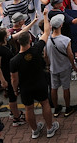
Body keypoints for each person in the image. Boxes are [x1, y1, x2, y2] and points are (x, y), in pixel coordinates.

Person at [10, 11, 60, 139]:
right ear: (30, 40)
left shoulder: (14, 60)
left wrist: (15, 90)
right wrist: (44, 15)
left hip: (25, 87)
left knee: (29, 108)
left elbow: (14, 79)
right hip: (39, 82)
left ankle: (35, 131)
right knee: (45, 104)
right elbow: (46, 33)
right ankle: (50, 128)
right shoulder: (37, 49)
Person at [46, 14, 77, 118]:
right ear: (61, 25)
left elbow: (45, 55)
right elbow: (70, 55)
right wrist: (74, 66)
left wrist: (48, 65)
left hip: (53, 67)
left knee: (54, 88)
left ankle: (56, 108)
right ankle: (68, 107)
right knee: (66, 87)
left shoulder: (47, 39)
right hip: (64, 67)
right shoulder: (66, 40)